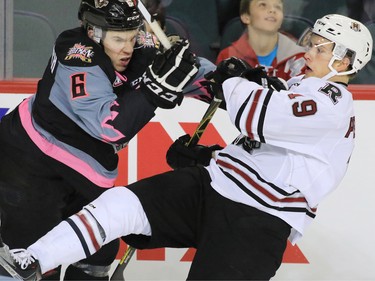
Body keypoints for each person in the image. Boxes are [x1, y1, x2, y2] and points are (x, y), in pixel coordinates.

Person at [0, 13, 373, 280]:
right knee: (120, 206)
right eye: (310, 43)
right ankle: (28, 261)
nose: (308, 52)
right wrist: (208, 155)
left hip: (258, 221)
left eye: (320, 49)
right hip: (217, 186)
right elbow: (269, 149)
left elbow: (256, 116)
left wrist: (231, 77)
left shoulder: (331, 100)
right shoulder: (300, 89)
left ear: (344, 61)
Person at [0, 0, 209, 280]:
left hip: (84, 170)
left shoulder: (140, 44)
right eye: (118, 38)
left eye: (133, 36)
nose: (127, 46)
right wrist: (154, 90)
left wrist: (229, 81)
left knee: (99, 250)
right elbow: (110, 127)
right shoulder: (77, 56)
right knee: (29, 261)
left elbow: (181, 70)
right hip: (31, 163)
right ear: (93, 33)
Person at [216, 0, 306, 80]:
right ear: (246, 16)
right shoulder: (227, 56)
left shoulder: (299, 58)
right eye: (263, 5)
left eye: (278, 7)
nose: (272, 10)